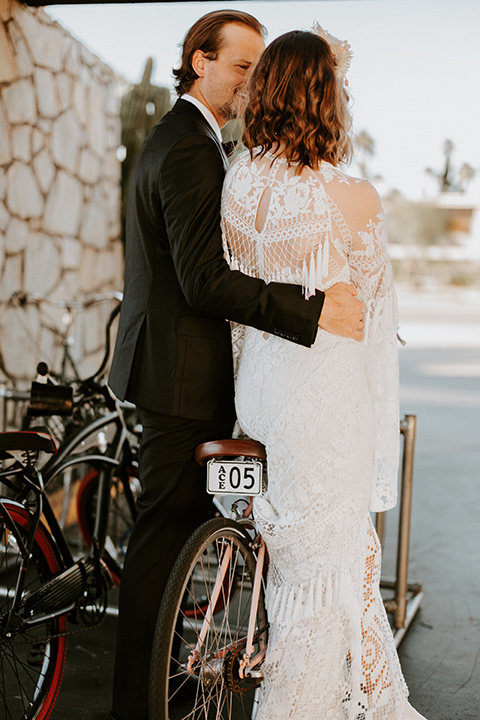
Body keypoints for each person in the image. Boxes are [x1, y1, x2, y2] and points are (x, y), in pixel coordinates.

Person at [107, 11, 364, 720]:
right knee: (160, 549)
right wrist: (309, 310)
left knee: (187, 534)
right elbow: (201, 281)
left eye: (259, 70)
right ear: (199, 61)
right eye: (242, 67)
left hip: (183, 377)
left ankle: (171, 684)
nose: (252, 83)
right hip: (181, 385)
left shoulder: (187, 139)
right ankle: (138, 704)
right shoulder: (189, 148)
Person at [221, 27, 428, 720]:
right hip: (323, 409)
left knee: (301, 570)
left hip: (258, 394)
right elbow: (369, 317)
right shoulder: (353, 199)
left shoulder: (237, 181)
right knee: (334, 573)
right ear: (325, 99)